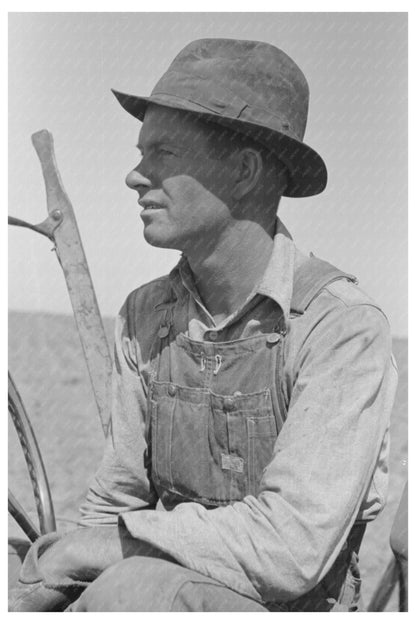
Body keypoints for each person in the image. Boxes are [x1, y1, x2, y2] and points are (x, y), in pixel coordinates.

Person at [9, 38, 397, 612]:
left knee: (129, 587)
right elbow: (114, 500)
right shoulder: (146, 315)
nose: (134, 177)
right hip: (163, 592)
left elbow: (288, 551)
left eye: (163, 152)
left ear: (243, 170)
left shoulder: (339, 329)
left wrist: (93, 552)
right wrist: (56, 575)